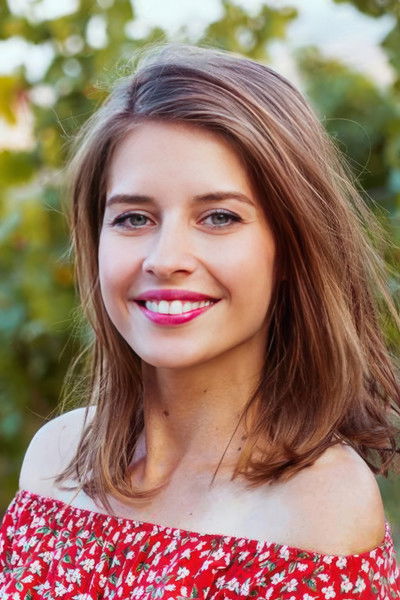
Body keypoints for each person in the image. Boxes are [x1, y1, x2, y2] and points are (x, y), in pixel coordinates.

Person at [0, 43, 399, 599]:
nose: (165, 259)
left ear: (291, 246)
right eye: (133, 218)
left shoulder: (318, 512)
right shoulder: (56, 459)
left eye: (218, 217)